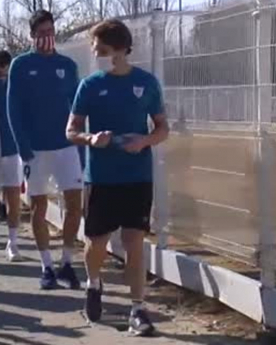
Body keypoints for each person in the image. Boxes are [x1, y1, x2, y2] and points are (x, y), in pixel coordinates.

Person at [66, 19, 169, 336]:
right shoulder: (90, 85)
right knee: (96, 242)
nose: (97, 55)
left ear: (123, 50)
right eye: (96, 50)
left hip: (137, 176)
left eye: (103, 50)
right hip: (100, 177)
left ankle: (138, 309)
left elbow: (162, 128)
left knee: (133, 241)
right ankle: (94, 283)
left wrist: (144, 141)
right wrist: (91, 139)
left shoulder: (147, 83)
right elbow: (70, 131)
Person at [7, 10, 83, 290]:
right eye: (40, 33)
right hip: (35, 151)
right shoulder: (21, 65)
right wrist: (23, 146)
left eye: (50, 32)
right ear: (32, 36)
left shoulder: (68, 65)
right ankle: (46, 266)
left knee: (75, 207)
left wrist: (81, 144)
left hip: (67, 148)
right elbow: (13, 108)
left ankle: (66, 263)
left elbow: (77, 108)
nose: (46, 38)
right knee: (39, 206)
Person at [0, 50, 23, 262]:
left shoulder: (16, 86)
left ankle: (12, 242)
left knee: (13, 196)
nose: (0, 68)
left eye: (4, 64)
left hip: (12, 150)